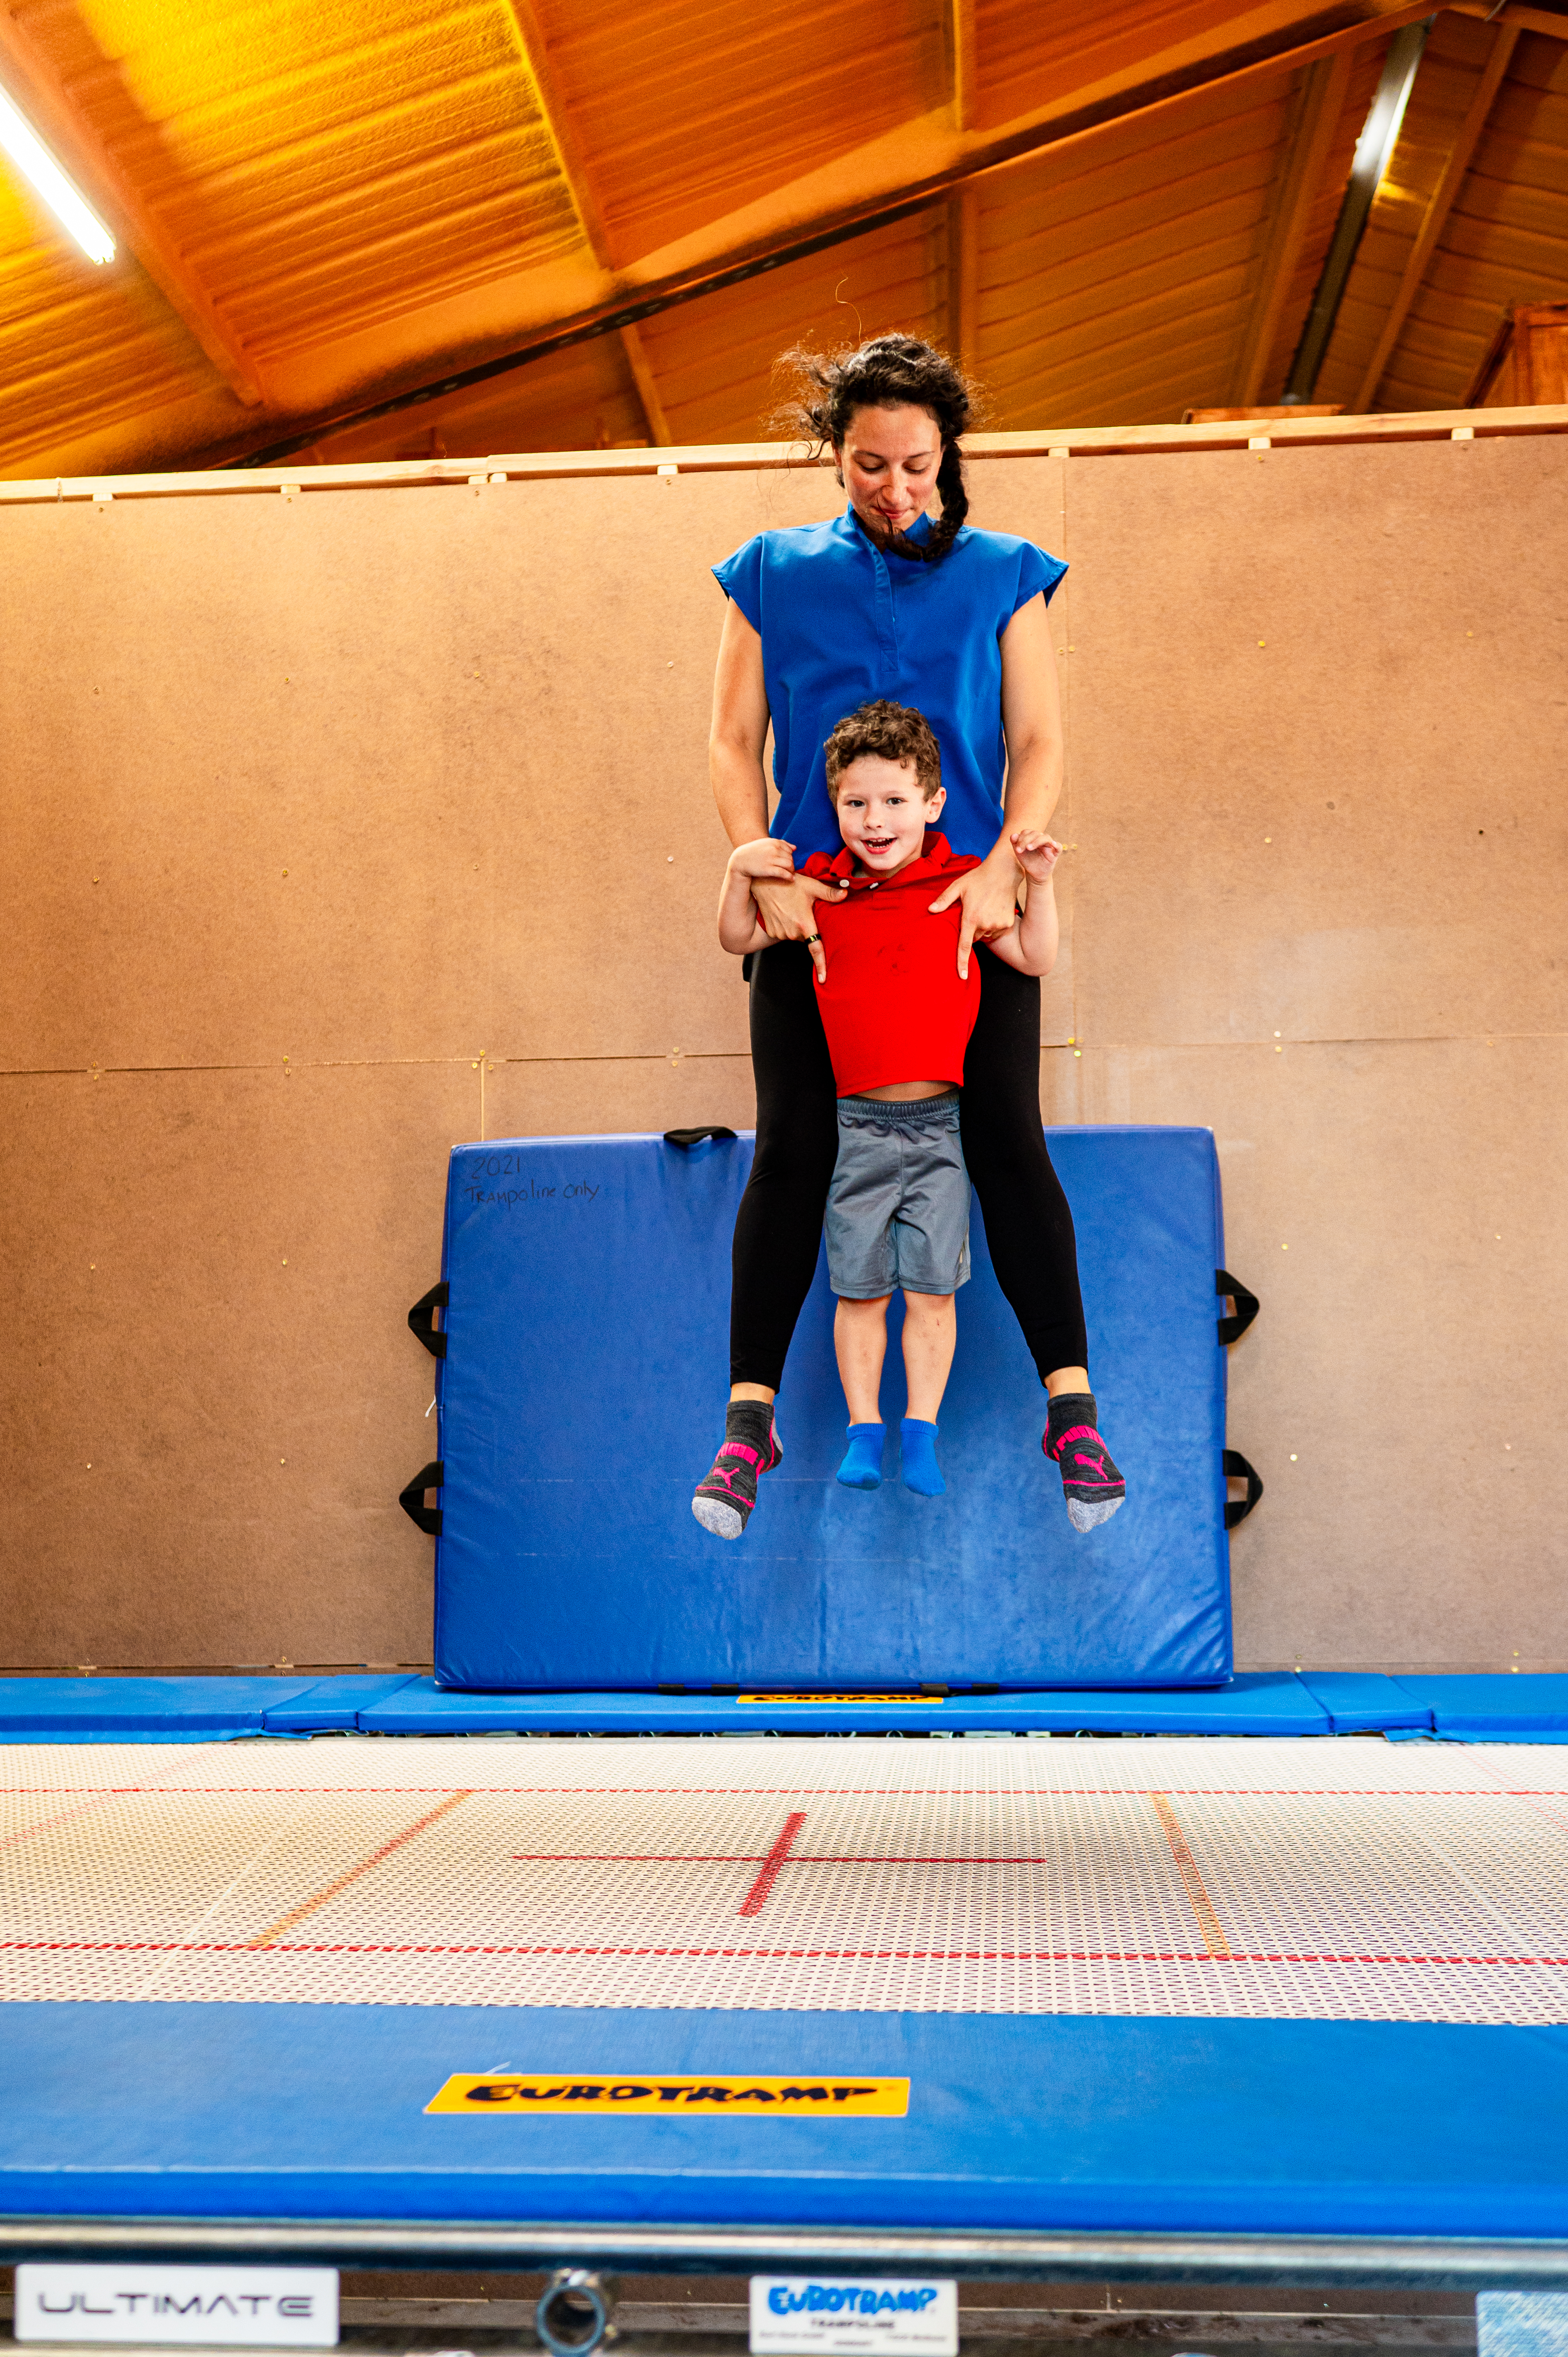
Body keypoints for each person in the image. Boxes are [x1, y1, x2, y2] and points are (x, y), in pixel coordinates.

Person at [690, 331, 1126, 1542]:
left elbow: (1037, 743)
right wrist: (760, 861)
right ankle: (749, 1419)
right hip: (812, 915)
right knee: (791, 1148)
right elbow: (732, 741)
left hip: (962, 914)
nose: (895, 489)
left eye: (917, 465)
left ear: (949, 457)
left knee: (1004, 1141)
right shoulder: (768, 572)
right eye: (870, 465)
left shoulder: (1001, 573)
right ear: (836, 458)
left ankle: (1070, 1407)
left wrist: (1002, 866)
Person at [711, 700, 1091, 1515]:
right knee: (856, 1289)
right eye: (855, 803)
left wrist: (1038, 883)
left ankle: (918, 1428)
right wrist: (740, 866)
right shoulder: (824, 894)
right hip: (857, 1127)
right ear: (833, 806)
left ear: (932, 804)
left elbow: (1034, 954)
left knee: (929, 1290)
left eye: (892, 802)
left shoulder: (958, 890)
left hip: (936, 1129)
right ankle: (861, 1428)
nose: (873, 820)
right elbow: (736, 937)